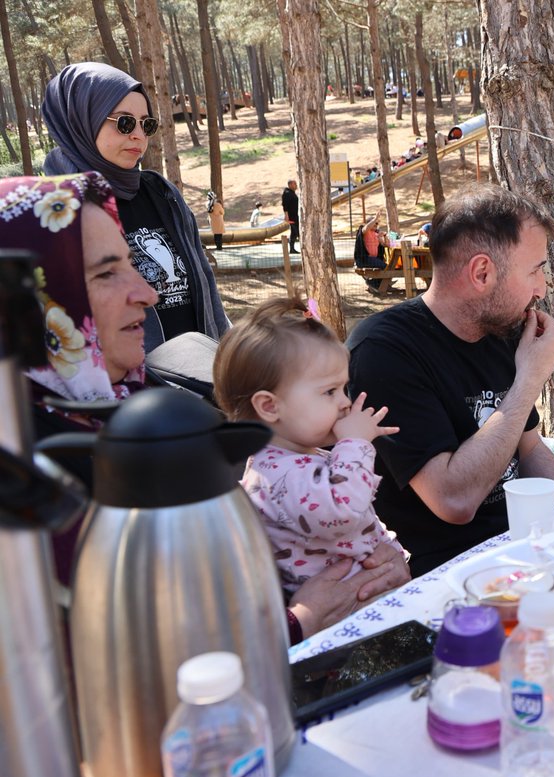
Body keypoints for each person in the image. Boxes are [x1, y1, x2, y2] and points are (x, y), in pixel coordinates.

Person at [1, 173, 406, 644]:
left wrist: (375, 559)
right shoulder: (25, 486)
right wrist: (299, 619)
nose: (148, 293)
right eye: (105, 272)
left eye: (133, 264)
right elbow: (113, 662)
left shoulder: (131, 406)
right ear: (33, 298)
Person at [346, 184, 554, 576]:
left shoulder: (498, 329)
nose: (542, 288)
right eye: (535, 270)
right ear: (482, 272)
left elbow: (530, 447)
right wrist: (530, 378)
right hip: (445, 574)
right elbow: (454, 502)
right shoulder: (382, 351)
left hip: (523, 549)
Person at [212, 299, 413, 593]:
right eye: (329, 391)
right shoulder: (276, 476)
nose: (345, 402)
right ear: (269, 406)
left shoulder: (301, 458)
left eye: (343, 388)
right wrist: (354, 444)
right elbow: (344, 513)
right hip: (340, 621)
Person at [42, 62, 229, 351]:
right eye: (125, 123)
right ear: (81, 122)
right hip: (118, 387)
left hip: (197, 378)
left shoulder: (161, 192)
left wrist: (227, 357)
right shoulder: (53, 211)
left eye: (147, 124)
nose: (139, 136)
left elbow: (204, 283)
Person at [282, 179, 299, 253]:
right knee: (297, 231)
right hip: (291, 217)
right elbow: (285, 205)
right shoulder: (287, 193)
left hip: (295, 215)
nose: (296, 185)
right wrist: (286, 215)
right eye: (294, 184)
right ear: (290, 185)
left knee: (294, 233)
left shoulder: (292, 193)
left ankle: (292, 248)